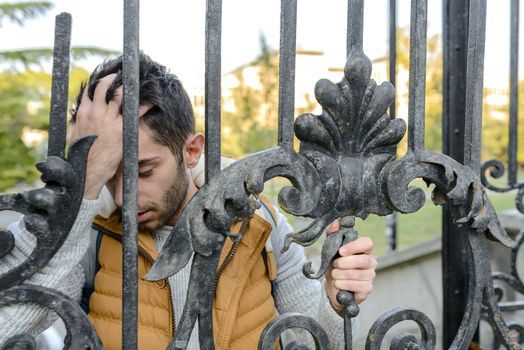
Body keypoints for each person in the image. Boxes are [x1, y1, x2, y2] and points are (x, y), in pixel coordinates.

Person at [0, 53, 377, 349]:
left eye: (143, 172)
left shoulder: (259, 220)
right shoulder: (90, 228)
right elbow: (10, 325)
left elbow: (311, 340)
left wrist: (334, 300)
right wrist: (83, 185)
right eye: (108, 175)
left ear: (193, 149)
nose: (122, 197)